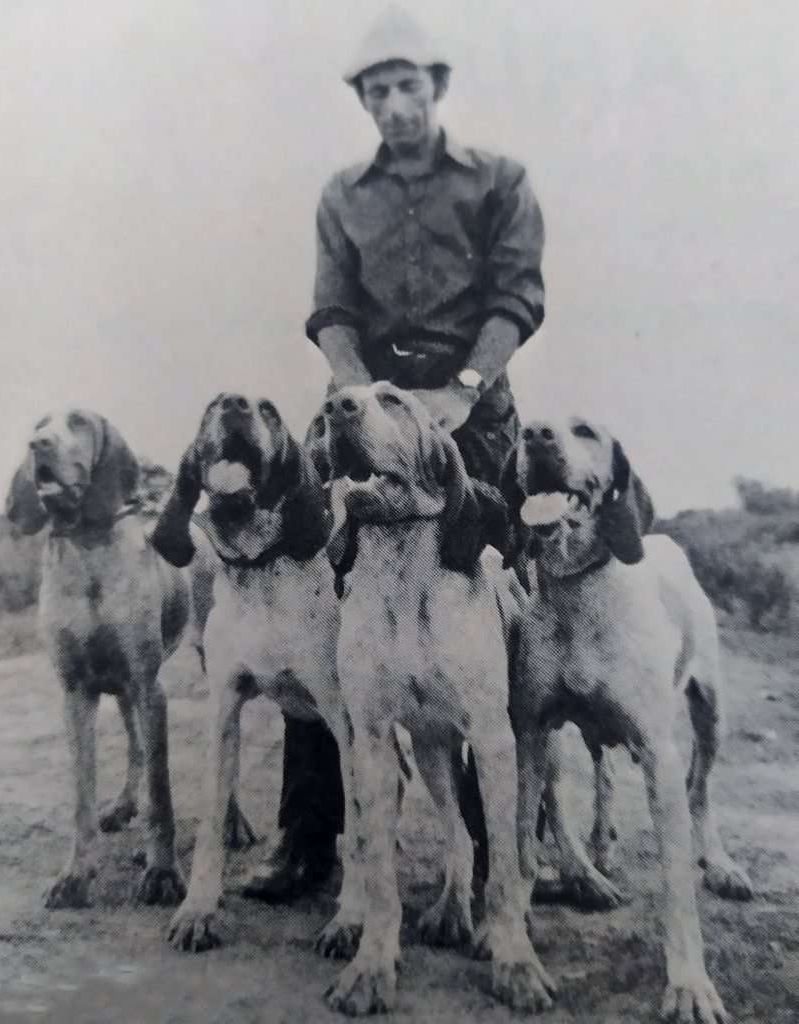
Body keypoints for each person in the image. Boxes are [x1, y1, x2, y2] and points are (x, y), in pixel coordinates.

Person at [244, 4, 545, 903]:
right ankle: (309, 840)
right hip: (367, 405)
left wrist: (457, 395)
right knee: (328, 597)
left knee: (488, 601)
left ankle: (502, 852)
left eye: (408, 85)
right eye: (378, 90)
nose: (394, 103)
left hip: (469, 410)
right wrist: (357, 399)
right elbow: (331, 308)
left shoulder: (499, 179)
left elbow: (517, 297)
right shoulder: (343, 195)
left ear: (436, 88)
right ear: (364, 101)